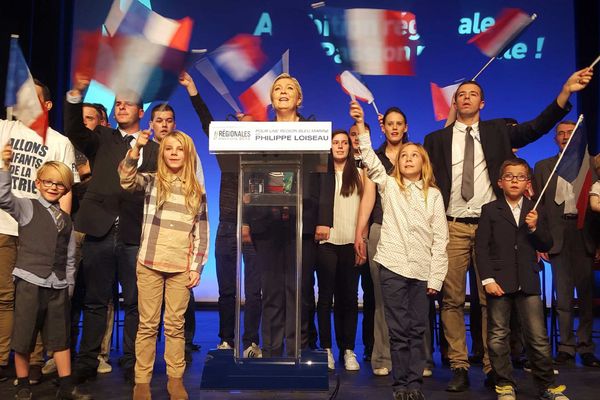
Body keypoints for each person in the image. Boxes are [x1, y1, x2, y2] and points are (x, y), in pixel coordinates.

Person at [423, 68, 593, 392]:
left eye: (473, 94)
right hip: (453, 225)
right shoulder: (436, 139)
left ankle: (493, 367)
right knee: (452, 300)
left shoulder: (499, 131)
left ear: (483, 103)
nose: (467, 97)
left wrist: (565, 93)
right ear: (454, 104)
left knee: (492, 301)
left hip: (493, 226)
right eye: (461, 94)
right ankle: (458, 364)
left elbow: (536, 128)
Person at [64, 76, 160, 384]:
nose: (121, 107)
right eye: (117, 103)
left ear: (140, 111)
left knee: (134, 302)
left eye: (127, 103)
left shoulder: (155, 149)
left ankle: (132, 361)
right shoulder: (102, 137)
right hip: (100, 229)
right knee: (95, 300)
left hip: (136, 233)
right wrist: (76, 96)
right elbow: (75, 130)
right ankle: (88, 360)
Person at [351, 100, 448, 400]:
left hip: (421, 272)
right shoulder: (388, 186)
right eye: (403, 156)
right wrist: (360, 123)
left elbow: (441, 240)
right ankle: (400, 385)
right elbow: (368, 157)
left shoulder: (433, 195)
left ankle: (415, 383)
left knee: (417, 329)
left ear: (423, 162)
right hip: (392, 267)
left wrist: (436, 278)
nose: (407, 159)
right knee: (397, 330)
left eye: (413, 156)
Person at [245, 73, 333, 357]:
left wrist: (323, 219)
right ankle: (271, 349)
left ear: (299, 99)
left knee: (300, 290)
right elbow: (250, 178)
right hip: (267, 222)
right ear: (271, 100)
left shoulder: (314, 131)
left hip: (303, 222)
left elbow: (325, 179)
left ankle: (298, 349)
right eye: (278, 89)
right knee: (270, 289)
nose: (283, 92)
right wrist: (246, 219)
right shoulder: (260, 134)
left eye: (289, 89)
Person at [176, 72, 262, 357]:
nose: (243, 130)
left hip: (256, 229)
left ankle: (251, 342)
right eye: (240, 126)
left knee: (254, 290)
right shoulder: (227, 149)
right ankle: (227, 340)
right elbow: (207, 123)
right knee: (226, 289)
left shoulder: (264, 154)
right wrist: (193, 90)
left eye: (250, 127)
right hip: (227, 225)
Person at [0, 79, 79, 385]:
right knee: (7, 299)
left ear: (47, 105)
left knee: (41, 305)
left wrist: (61, 228)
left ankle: (34, 364)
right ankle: (6, 360)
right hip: (6, 225)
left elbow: (67, 189)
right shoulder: (5, 129)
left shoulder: (59, 141)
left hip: (44, 231)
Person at [119, 130, 208, 400]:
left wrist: (196, 267)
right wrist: (135, 151)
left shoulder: (197, 190)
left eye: (179, 149)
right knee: (147, 325)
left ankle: (175, 378)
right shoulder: (152, 182)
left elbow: (201, 233)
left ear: (188, 153)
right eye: (168, 148)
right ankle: (142, 380)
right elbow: (126, 179)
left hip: (180, 266)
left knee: (174, 325)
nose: (173, 153)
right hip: (149, 263)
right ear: (162, 153)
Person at [0, 146, 91, 400]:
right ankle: (22, 384)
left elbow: (71, 256)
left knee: (60, 337)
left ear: (66, 188)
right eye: (48, 182)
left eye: (59, 184)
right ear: (38, 183)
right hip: (30, 281)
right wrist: (5, 167)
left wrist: (68, 285)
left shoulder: (66, 219)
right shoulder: (27, 208)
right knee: (24, 335)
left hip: (58, 286)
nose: (53, 187)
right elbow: (3, 197)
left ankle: (65, 385)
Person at [476, 158, 569, 400]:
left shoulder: (536, 209)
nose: (515, 180)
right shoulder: (490, 210)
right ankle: (504, 383)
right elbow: (482, 249)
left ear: (528, 182)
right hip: (499, 281)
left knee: (537, 337)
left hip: (528, 282)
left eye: (520, 176)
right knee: (498, 335)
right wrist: (487, 279)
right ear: (500, 182)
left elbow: (546, 243)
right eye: (509, 176)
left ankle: (547, 385)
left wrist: (535, 228)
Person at [533, 120, 600, 368]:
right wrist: (540, 240)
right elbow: (537, 206)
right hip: (556, 233)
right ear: (555, 139)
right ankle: (566, 347)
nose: (564, 137)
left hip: (584, 232)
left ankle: (586, 347)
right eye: (560, 133)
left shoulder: (592, 167)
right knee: (562, 298)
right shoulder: (543, 167)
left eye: (570, 133)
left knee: (585, 296)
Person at [148, 100, 206, 361]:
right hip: (152, 240)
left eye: (168, 120)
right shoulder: (146, 153)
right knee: (146, 317)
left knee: (181, 306)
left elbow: (199, 197)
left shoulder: (188, 153)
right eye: (159, 120)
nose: (164, 125)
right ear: (151, 124)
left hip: (180, 240)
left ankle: (184, 345)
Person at [353, 107, 408, 377]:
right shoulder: (374, 158)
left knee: (412, 297)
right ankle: (382, 357)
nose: (395, 128)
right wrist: (360, 232)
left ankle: (417, 359)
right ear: (383, 128)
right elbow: (368, 197)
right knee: (382, 297)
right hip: (381, 229)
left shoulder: (415, 155)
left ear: (405, 127)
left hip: (410, 233)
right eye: (390, 124)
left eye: (399, 124)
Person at [316, 129, 364, 370]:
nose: (340, 146)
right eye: (335, 142)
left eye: (344, 142)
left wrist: (361, 238)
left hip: (350, 243)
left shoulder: (359, 173)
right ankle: (326, 349)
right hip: (326, 243)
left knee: (349, 298)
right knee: (325, 298)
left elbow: (365, 208)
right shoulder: (320, 173)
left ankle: (348, 350)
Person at [348, 122, 375, 362]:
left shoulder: (374, 162)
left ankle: (370, 346)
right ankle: (345, 348)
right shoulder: (339, 162)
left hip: (368, 235)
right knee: (344, 295)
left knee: (371, 296)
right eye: (353, 134)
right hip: (344, 235)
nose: (357, 138)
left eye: (361, 134)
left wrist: (364, 236)